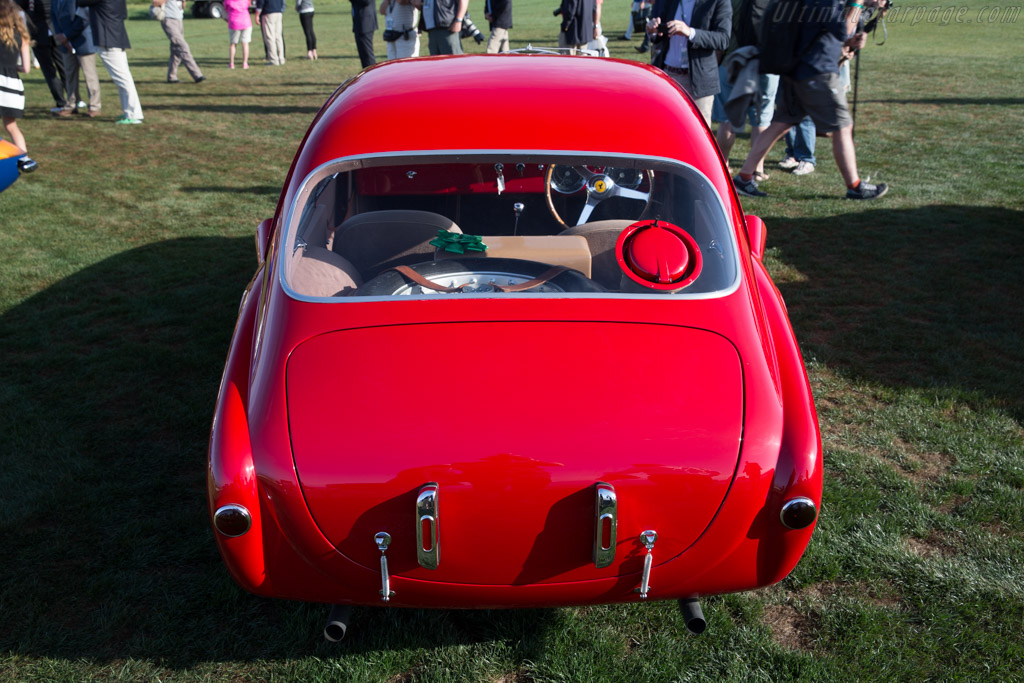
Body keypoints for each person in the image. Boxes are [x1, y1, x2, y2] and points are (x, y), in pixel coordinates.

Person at [732, 0, 887, 200]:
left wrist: (849, 42)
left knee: (782, 123)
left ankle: (743, 178)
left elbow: (817, 31)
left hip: (796, 69)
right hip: (817, 72)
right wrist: (858, 4)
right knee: (842, 126)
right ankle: (855, 186)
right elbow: (843, 30)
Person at [712, 0, 777, 178]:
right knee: (761, 119)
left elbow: (722, 28)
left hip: (733, 61)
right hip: (767, 64)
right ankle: (757, 168)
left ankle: (723, 165)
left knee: (728, 118)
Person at [646, 0, 732, 126]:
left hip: (698, 83)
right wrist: (653, 30)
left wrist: (690, 32)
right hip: (669, 77)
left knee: (697, 133)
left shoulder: (718, 2)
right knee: (665, 128)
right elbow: (661, 34)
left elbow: (723, 39)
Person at [78, 0, 143, 124]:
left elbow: (80, 2)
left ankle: (133, 114)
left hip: (107, 38)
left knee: (123, 78)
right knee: (123, 77)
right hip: (116, 35)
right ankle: (128, 112)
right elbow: (123, 14)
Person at [15, 0, 69, 115]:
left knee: (49, 71)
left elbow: (17, 5)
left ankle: (61, 102)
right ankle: (72, 99)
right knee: (63, 68)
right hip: (55, 31)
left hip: (40, 32)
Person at [0, 0, 36, 171]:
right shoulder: (21, 36)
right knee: (11, 126)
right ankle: (25, 159)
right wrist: (11, 67)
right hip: (13, 86)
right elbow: (26, 68)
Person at [52, 0, 101, 117]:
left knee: (89, 75)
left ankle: (95, 107)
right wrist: (59, 34)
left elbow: (83, 18)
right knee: (69, 75)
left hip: (82, 39)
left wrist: (67, 36)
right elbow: (54, 15)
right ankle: (71, 104)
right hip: (65, 42)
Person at [154, 0, 205, 83]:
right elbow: (155, 2)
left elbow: (182, 6)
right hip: (168, 19)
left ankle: (171, 77)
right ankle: (197, 75)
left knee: (176, 51)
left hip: (178, 19)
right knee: (182, 46)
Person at [254, 0, 285, 65]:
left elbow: (261, 3)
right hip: (278, 12)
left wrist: (257, 15)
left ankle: (274, 59)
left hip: (268, 12)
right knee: (278, 37)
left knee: (270, 37)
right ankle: (281, 58)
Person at [224, 0, 252, 68]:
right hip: (245, 22)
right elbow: (249, 5)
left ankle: (231, 63)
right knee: (245, 44)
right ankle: (245, 63)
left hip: (234, 22)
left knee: (233, 44)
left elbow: (225, 8)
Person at [349, 0, 376, 66]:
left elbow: (366, 1)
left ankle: (371, 75)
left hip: (365, 23)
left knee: (367, 56)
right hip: (360, 23)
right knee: (363, 55)